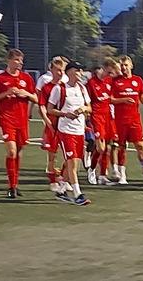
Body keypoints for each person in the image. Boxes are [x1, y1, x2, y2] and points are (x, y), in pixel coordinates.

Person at [0, 48, 38, 199]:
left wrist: (26, 94)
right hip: (6, 119)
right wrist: (6, 93)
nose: (19, 63)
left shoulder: (26, 78)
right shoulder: (0, 78)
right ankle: (11, 187)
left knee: (19, 152)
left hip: (22, 120)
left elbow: (36, 98)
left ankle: (15, 184)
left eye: (21, 60)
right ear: (9, 60)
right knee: (12, 151)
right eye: (17, 60)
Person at [110, 55, 143, 184]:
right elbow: (110, 99)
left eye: (126, 65)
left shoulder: (138, 80)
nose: (124, 68)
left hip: (134, 120)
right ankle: (122, 175)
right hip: (120, 120)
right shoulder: (115, 81)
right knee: (121, 147)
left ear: (131, 66)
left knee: (140, 146)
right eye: (122, 66)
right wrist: (123, 100)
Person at [48, 61, 92, 205]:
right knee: (72, 162)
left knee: (73, 163)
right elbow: (50, 109)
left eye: (81, 70)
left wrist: (83, 109)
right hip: (66, 130)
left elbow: (89, 107)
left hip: (79, 130)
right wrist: (65, 114)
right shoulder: (59, 89)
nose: (80, 73)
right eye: (77, 70)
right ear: (70, 72)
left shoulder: (82, 88)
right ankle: (78, 194)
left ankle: (61, 190)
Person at [37, 56, 67, 191]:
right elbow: (42, 106)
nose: (60, 73)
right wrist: (47, 120)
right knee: (52, 155)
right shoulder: (46, 87)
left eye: (62, 70)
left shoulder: (66, 87)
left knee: (68, 155)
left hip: (65, 124)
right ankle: (53, 181)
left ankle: (64, 178)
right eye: (58, 70)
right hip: (52, 124)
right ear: (52, 71)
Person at [85, 65, 117, 185]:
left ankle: (102, 176)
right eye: (109, 72)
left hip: (107, 116)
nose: (110, 75)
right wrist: (87, 116)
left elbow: (110, 98)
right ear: (104, 69)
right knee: (100, 148)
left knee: (107, 147)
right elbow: (87, 100)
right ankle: (92, 169)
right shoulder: (91, 83)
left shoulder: (109, 81)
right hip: (97, 117)